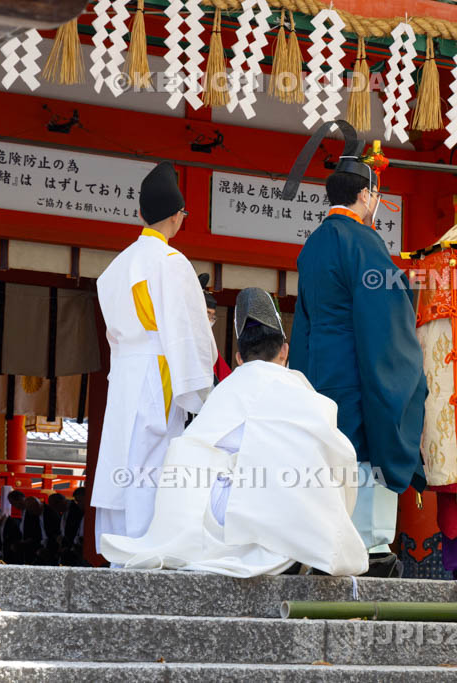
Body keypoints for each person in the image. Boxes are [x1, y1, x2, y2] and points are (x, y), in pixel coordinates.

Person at [100, 287, 368, 577]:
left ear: (239, 358)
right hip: (278, 523)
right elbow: (342, 462)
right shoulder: (305, 394)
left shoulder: (220, 395)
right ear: (285, 351)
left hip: (201, 528)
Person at [289, 122, 426, 579]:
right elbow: (383, 318)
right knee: (371, 447)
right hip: (360, 366)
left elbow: (304, 321)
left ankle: (327, 540)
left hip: (319, 372)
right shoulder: (365, 242)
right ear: (365, 196)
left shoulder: (311, 247)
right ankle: (369, 544)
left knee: (331, 453)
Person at [92, 161, 218, 553]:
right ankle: (146, 547)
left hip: (124, 373)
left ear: (143, 213)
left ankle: (115, 546)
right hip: (156, 371)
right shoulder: (170, 261)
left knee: (119, 456)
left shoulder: (115, 266)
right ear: (178, 215)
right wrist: (203, 379)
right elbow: (188, 330)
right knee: (152, 459)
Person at [199, 273, 232, 384]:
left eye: (212, 316)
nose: (210, 319)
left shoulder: (209, 346)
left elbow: (226, 380)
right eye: (207, 313)